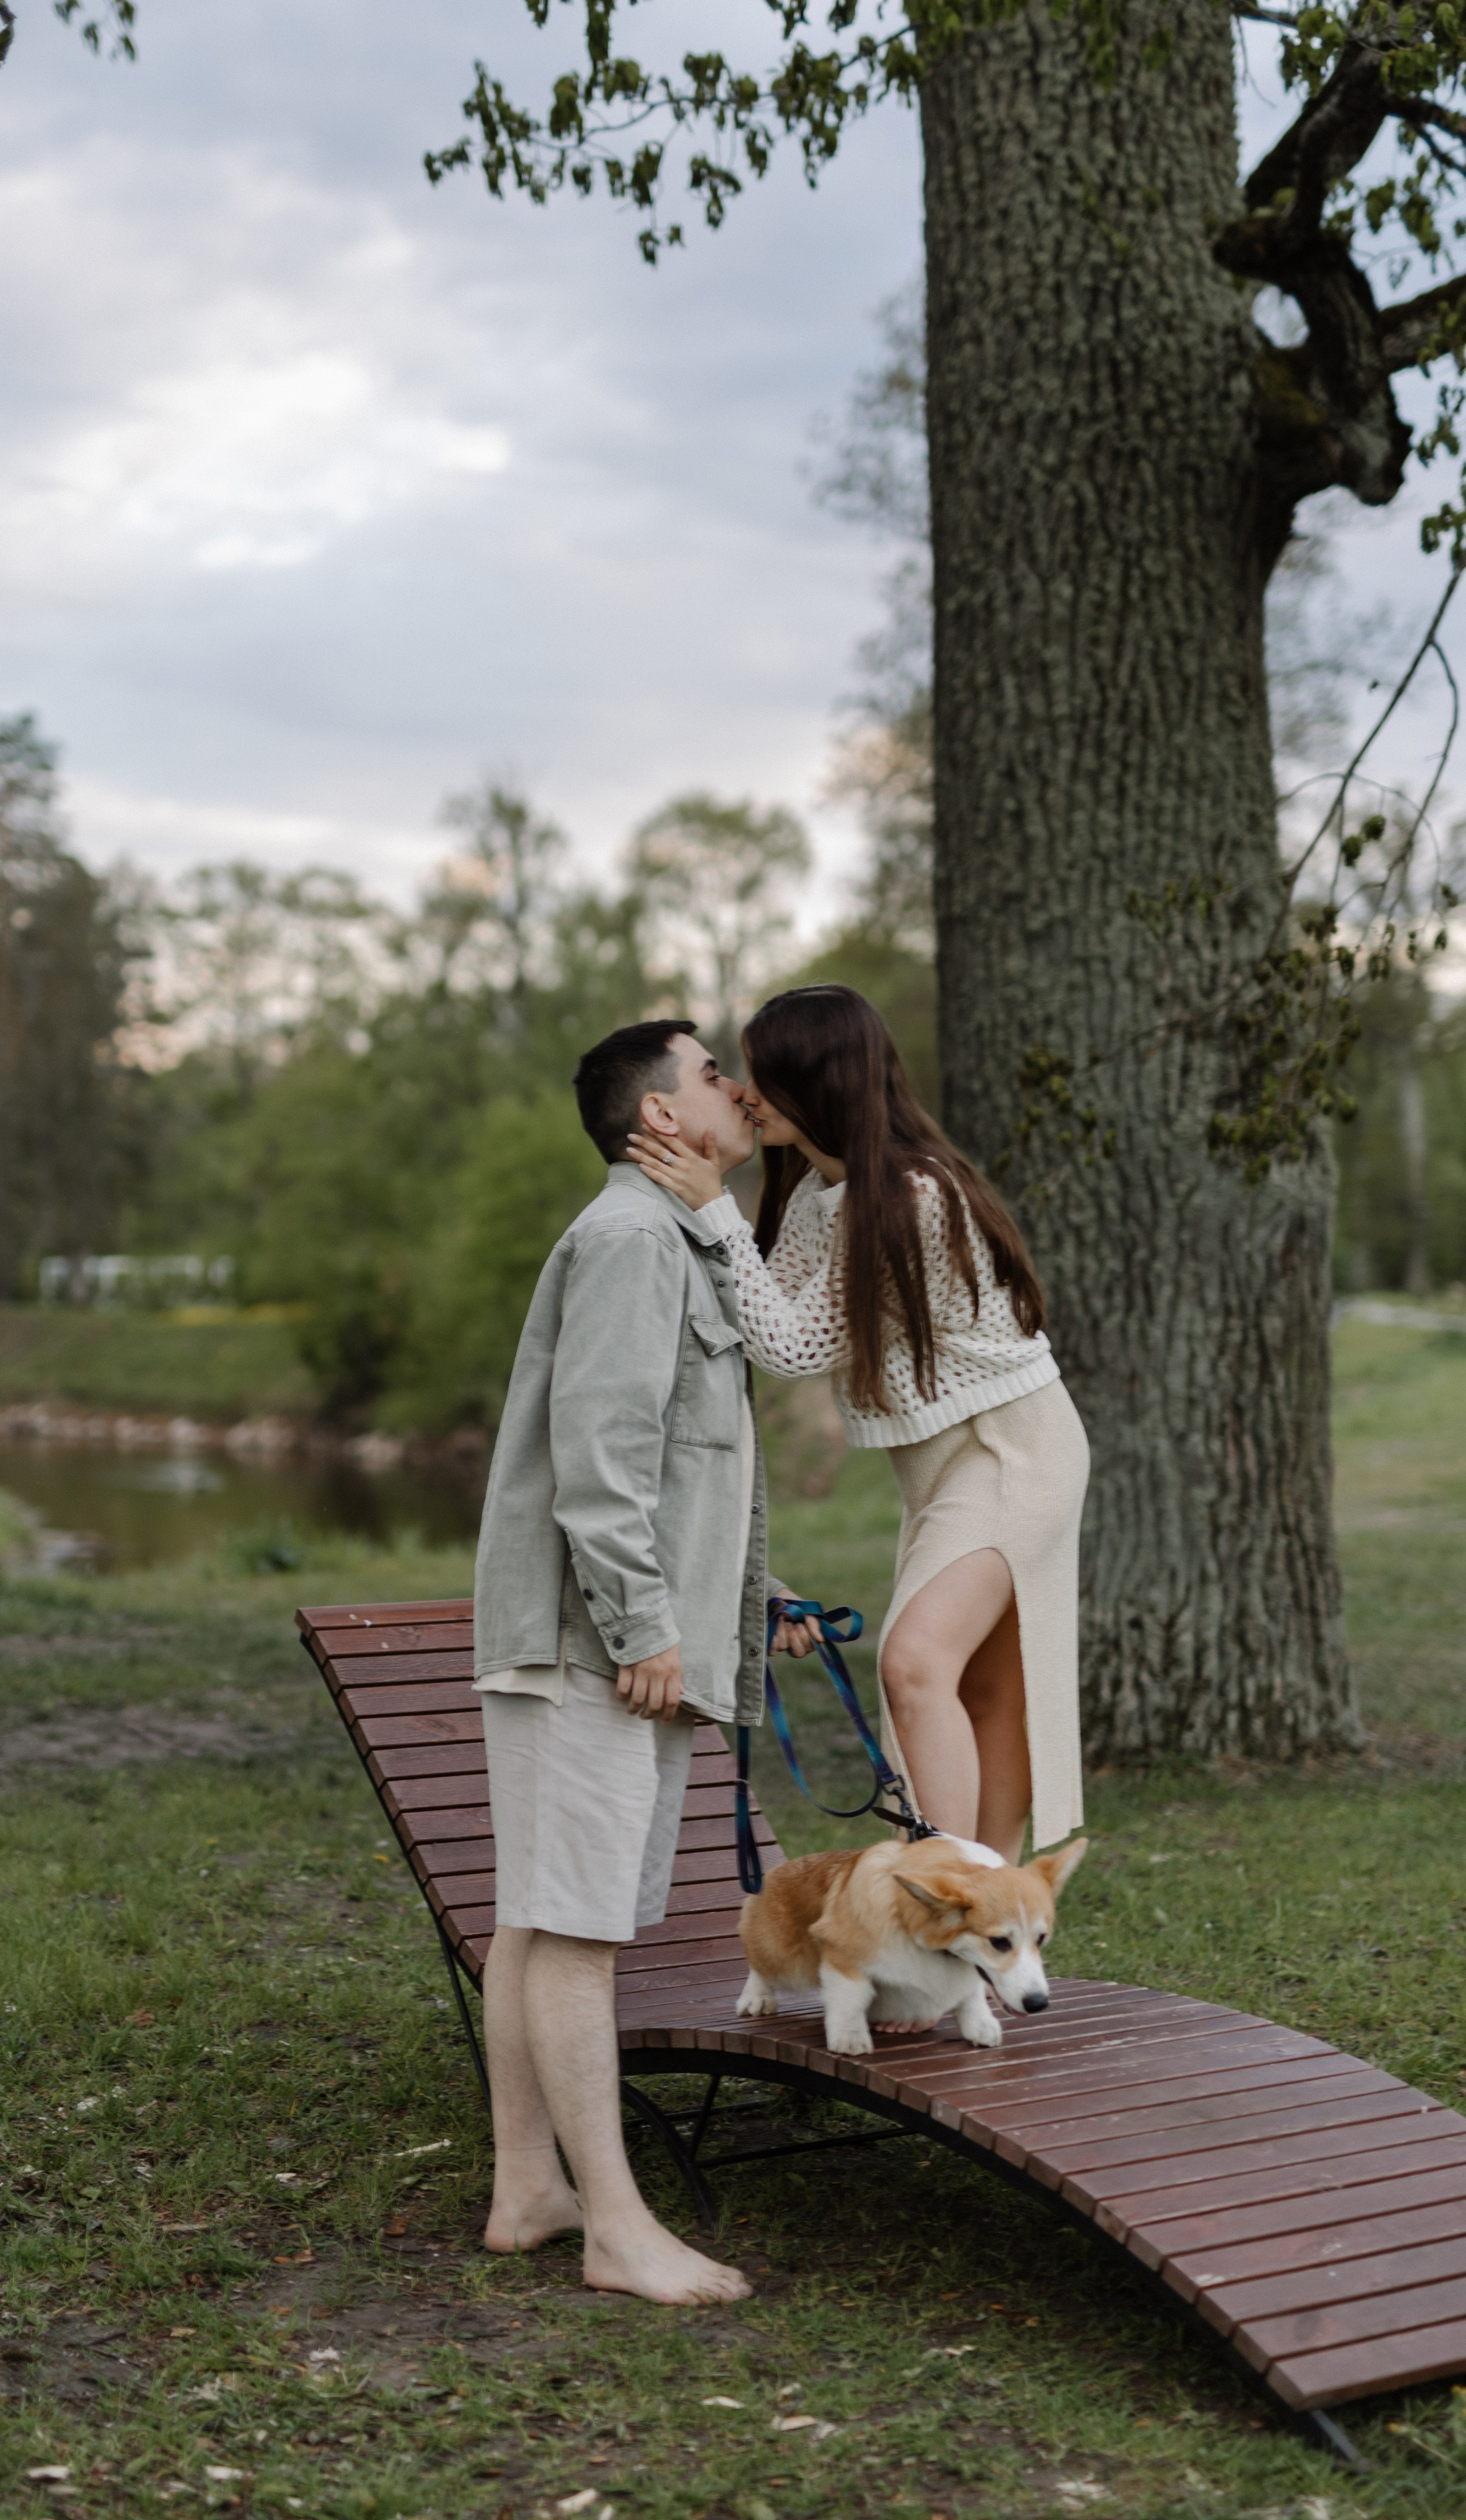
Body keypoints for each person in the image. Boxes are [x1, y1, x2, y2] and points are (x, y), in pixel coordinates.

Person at [472, 1017, 812, 2300]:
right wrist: (645, 1625)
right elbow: (600, 1450)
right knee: (577, 1930)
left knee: (539, 1917)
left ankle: (530, 2188)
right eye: (711, 1073)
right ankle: (617, 2228)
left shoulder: (664, 1238)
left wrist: (740, 1590)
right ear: (661, 1117)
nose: (735, 1087)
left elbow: (670, 1461)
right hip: (590, 1644)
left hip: (599, 1629)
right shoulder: (629, 1240)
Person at [629, 983, 1088, 1871]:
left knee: (915, 1665)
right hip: (950, 1470)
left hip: (1013, 1454)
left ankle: (948, 1911)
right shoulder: (819, 1200)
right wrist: (706, 1208)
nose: (745, 1096)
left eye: (760, 1076)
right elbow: (766, 1317)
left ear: (818, 1083)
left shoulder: (911, 1199)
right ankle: (1001, 1935)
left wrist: (712, 1207)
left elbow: (796, 1347)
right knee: (986, 1691)